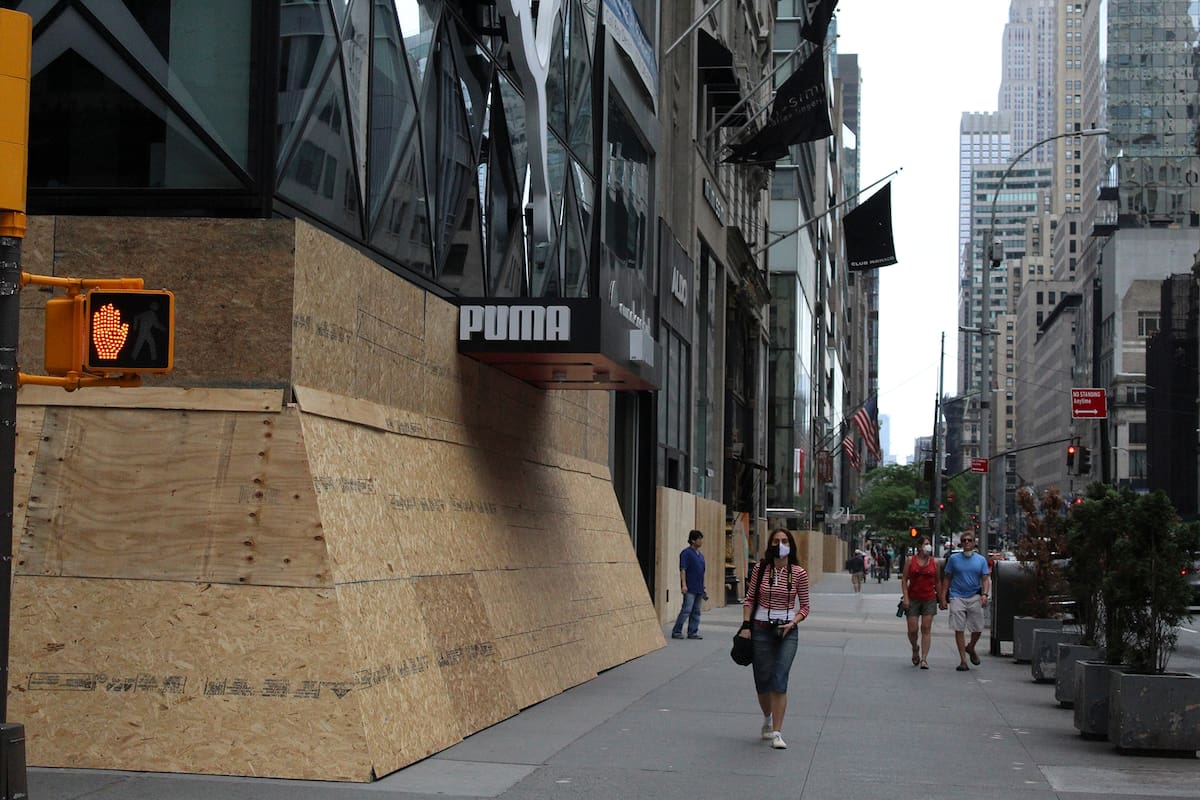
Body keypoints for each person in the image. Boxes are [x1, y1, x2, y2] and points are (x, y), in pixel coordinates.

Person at [736, 528, 810, 750]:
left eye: (785, 540)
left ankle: (777, 731)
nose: (780, 544)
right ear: (770, 544)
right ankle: (767, 718)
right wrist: (747, 626)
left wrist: (794, 621)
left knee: (780, 678)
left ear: (791, 545)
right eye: (776, 540)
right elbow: (749, 599)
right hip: (760, 629)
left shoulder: (798, 573)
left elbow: (805, 606)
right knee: (763, 680)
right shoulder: (760, 569)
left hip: (787, 630)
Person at [938, 533, 991, 671]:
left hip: (974, 596)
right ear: (961, 543)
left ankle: (971, 647)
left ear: (974, 543)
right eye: (964, 541)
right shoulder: (954, 559)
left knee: (978, 628)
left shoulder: (981, 560)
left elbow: (985, 578)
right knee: (959, 628)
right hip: (957, 596)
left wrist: (985, 594)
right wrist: (943, 597)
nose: (967, 542)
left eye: (969, 540)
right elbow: (947, 578)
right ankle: (963, 660)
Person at [901, 536, 938, 669]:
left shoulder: (934, 562)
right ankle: (915, 647)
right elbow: (904, 579)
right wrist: (906, 597)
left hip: (929, 598)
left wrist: (941, 598)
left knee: (926, 628)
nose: (928, 546)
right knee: (913, 629)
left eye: (929, 544)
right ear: (920, 547)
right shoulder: (910, 561)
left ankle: (924, 658)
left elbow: (937, 581)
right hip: (913, 598)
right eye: (926, 544)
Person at [671, 530, 706, 640]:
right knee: (686, 610)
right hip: (690, 587)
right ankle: (677, 631)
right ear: (692, 540)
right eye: (699, 539)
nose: (701, 541)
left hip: (698, 587)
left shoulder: (700, 555)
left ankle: (692, 632)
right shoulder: (686, 553)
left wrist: (703, 587)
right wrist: (684, 585)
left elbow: (701, 572)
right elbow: (683, 569)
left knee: (696, 611)